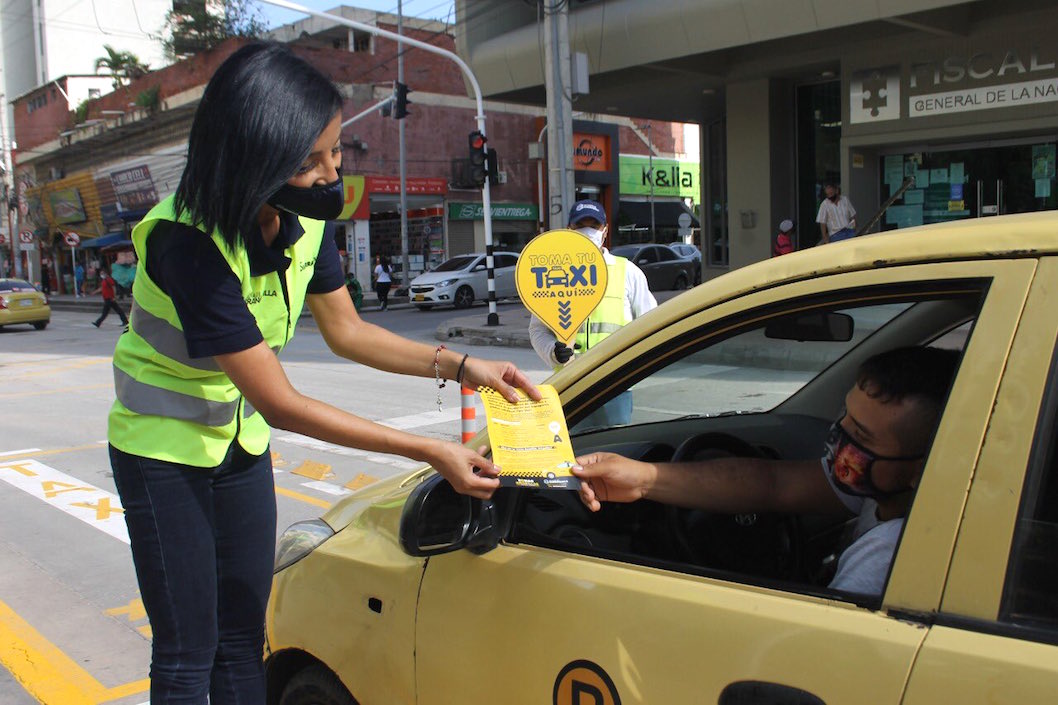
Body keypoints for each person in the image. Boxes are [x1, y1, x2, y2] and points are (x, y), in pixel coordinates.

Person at [105, 43, 540, 705]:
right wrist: (429, 448)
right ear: (252, 159)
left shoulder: (305, 223)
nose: (330, 173)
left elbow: (348, 330)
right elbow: (281, 401)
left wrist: (463, 366)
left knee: (244, 639)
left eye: (336, 152)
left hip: (238, 443)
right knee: (189, 654)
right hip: (160, 450)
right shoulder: (186, 242)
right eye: (310, 161)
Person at [571, 346, 959, 596]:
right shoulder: (883, 496)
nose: (840, 440)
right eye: (845, 417)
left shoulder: (889, 555)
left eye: (861, 436)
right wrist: (642, 479)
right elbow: (773, 484)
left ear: (924, 468)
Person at [528, 200, 656, 426]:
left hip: (615, 386)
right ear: (569, 230)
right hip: (569, 384)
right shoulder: (554, 275)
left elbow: (652, 323)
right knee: (573, 456)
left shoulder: (627, 273)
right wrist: (552, 352)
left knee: (613, 453)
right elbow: (538, 329)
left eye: (594, 225)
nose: (588, 231)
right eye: (581, 226)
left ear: (605, 231)